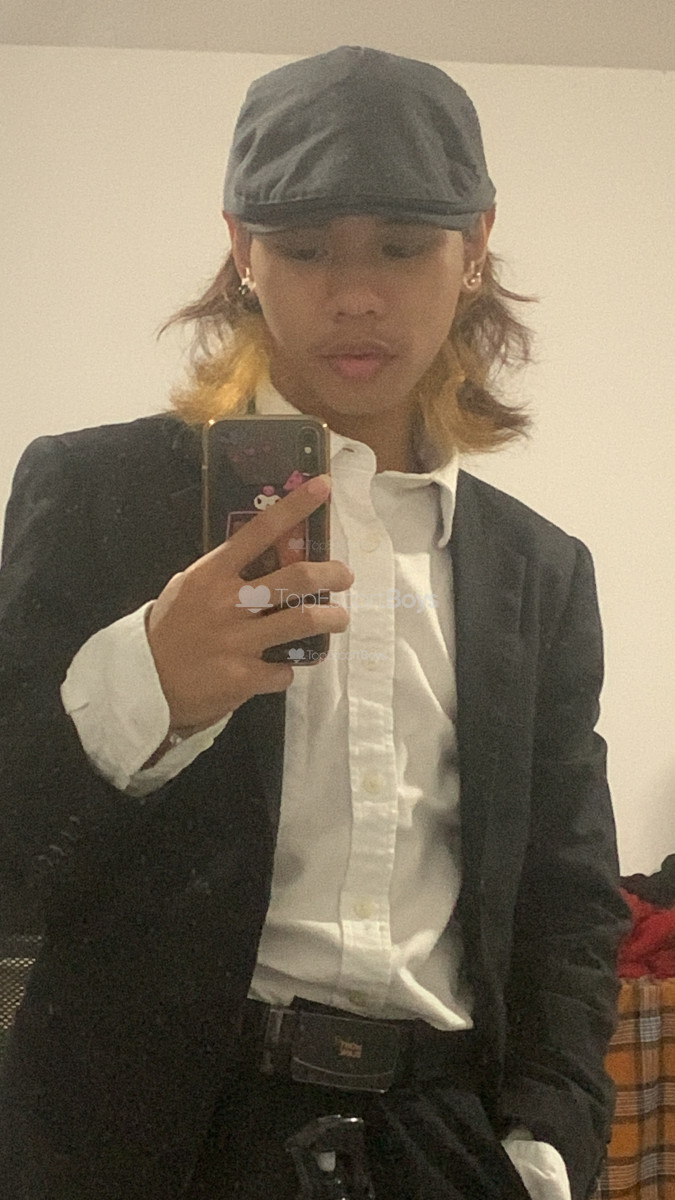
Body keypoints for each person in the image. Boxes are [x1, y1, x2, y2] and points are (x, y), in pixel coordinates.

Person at [0, 45, 628, 1200]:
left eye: (401, 246)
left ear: (476, 247)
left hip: (444, 1141)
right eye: (302, 248)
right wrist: (148, 684)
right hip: (153, 1145)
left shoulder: (540, 574)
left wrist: (548, 1142)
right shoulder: (96, 497)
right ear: (241, 248)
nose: (355, 296)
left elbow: (569, 895)